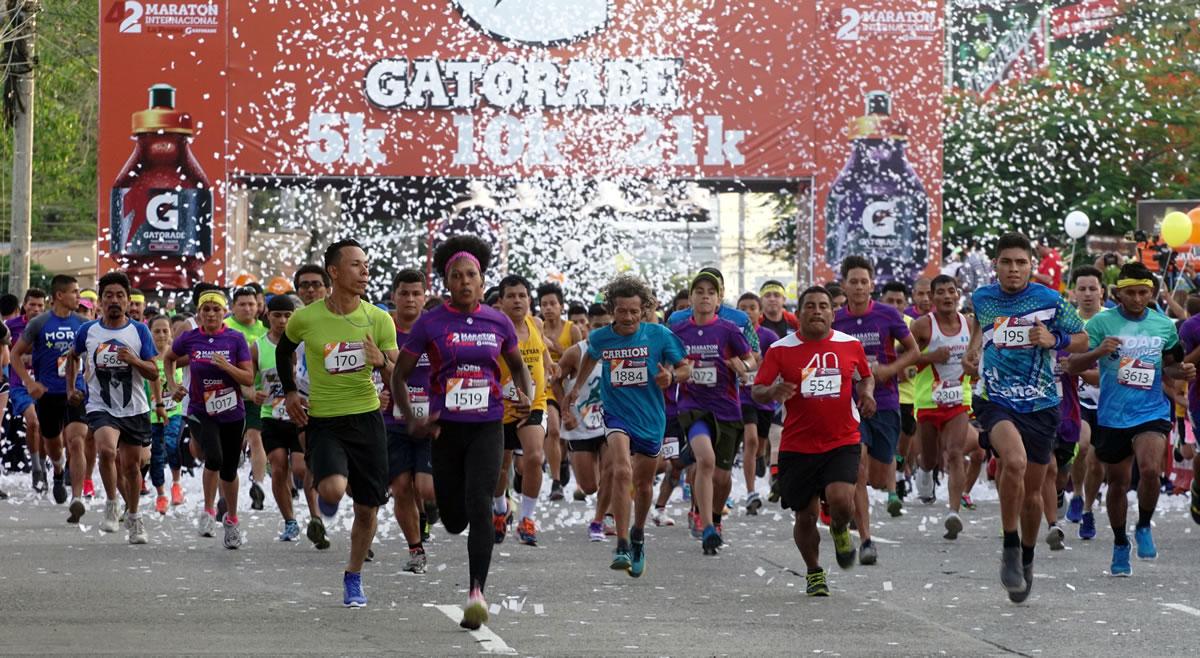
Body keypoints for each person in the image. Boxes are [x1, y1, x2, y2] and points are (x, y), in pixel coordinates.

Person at [392, 235, 532, 630]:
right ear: (447, 282)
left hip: (487, 425)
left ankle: (476, 593)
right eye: (457, 276)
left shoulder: (498, 321)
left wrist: (525, 395)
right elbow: (399, 375)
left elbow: (518, 366)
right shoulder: (431, 322)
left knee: (480, 503)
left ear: (482, 280)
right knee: (455, 519)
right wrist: (411, 418)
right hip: (446, 430)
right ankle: (440, 510)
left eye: (471, 275)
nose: (465, 281)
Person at [275, 239, 399, 608]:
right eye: (356, 265)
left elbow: (399, 375)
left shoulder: (378, 319)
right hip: (325, 420)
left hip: (366, 420)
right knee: (330, 490)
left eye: (367, 265)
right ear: (334, 271)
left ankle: (353, 576)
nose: (365, 271)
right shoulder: (306, 318)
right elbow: (283, 350)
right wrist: (290, 392)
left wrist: (381, 362)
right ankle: (331, 487)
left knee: (367, 508)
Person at [965, 232, 1086, 602]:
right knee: (1013, 462)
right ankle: (1010, 545)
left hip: (1041, 404)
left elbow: (1082, 338)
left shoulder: (1049, 300)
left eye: (1021, 262)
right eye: (1006, 262)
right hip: (995, 399)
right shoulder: (982, 297)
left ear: (1031, 265)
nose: (1013, 269)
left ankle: (1027, 556)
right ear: (996, 265)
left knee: (1033, 493)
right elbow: (979, 326)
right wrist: (972, 350)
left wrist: (1054, 341)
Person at [1066, 262, 1192, 576]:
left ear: (1151, 294)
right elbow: (1072, 364)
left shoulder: (1163, 325)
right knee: (1118, 483)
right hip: (1113, 416)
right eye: (1131, 293)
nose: (1137, 299)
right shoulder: (1100, 323)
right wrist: (1098, 352)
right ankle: (1121, 541)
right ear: (1118, 294)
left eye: (1143, 293)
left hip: (1151, 412)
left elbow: (1170, 365)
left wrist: (1183, 371)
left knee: (1149, 469)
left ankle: (1144, 525)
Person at [752, 285, 876, 597]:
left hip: (842, 439)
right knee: (805, 516)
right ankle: (814, 571)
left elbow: (865, 376)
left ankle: (839, 529)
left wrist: (867, 394)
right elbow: (758, 389)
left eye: (823, 306)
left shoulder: (850, 345)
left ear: (833, 313)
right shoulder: (780, 349)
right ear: (800, 313)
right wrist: (772, 391)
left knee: (841, 499)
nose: (817, 311)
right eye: (810, 306)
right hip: (798, 445)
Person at [565, 274, 690, 575]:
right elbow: (590, 357)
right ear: (612, 309)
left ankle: (637, 534)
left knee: (643, 485)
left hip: (650, 417)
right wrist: (576, 387)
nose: (629, 317)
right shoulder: (601, 337)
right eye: (622, 311)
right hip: (616, 413)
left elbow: (686, 368)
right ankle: (621, 544)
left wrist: (671, 377)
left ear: (644, 309)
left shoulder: (659, 335)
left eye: (634, 311)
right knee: (621, 470)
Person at [833, 256, 919, 564]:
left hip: (885, 401)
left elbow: (914, 351)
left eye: (863, 282)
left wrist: (888, 370)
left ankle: (854, 508)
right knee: (858, 466)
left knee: (879, 475)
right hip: (848, 404)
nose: (858, 287)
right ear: (844, 285)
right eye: (853, 282)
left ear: (872, 285)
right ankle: (866, 540)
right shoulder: (835, 321)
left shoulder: (887, 315)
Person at [65, 272, 159, 544]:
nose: (114, 300)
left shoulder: (139, 331)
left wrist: (134, 360)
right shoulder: (88, 331)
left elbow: (153, 372)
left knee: (131, 467)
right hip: (100, 405)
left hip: (134, 408)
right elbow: (72, 357)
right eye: (109, 296)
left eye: (120, 296)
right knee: (106, 450)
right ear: (100, 301)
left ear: (128, 301)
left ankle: (134, 517)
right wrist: (71, 388)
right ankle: (111, 503)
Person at [165, 289, 255, 549]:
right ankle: (208, 511)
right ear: (199, 313)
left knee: (229, 468)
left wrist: (227, 366)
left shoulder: (235, 339)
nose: (211, 314)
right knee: (213, 457)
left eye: (216, 309)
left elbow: (248, 378)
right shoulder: (190, 338)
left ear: (224, 312)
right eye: (206, 309)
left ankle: (232, 520)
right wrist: (172, 384)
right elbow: (169, 358)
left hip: (232, 412)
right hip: (200, 410)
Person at [671, 272, 752, 553]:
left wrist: (742, 367)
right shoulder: (678, 331)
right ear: (691, 298)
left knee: (721, 476)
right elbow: (669, 364)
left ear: (718, 300)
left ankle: (716, 518)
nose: (705, 296)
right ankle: (706, 527)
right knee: (705, 460)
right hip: (693, 407)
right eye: (699, 291)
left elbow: (750, 359)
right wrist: (675, 374)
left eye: (711, 292)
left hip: (727, 408)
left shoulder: (729, 330)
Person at [11, 276, 89, 523]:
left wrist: (88, 381)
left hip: (75, 393)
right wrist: (29, 383)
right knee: (54, 445)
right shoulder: (40, 323)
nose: (78, 297)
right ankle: (57, 470)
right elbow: (15, 355)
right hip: (47, 394)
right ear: (59, 295)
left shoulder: (83, 324)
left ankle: (77, 499)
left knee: (77, 441)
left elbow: (92, 357)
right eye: (74, 292)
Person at [910, 275, 976, 539]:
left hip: (959, 400)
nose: (947, 296)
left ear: (958, 295)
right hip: (928, 400)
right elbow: (904, 357)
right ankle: (924, 470)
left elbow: (979, 355)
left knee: (955, 452)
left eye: (951, 291)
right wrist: (930, 357)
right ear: (932, 297)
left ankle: (953, 512)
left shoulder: (970, 324)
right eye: (941, 292)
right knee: (930, 458)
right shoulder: (922, 325)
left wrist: (975, 365)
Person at [252, 294, 321, 543]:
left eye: (287, 316)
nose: (282, 321)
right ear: (267, 316)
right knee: (279, 466)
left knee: (302, 467)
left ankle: (316, 518)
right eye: (277, 316)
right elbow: (247, 380)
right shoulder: (258, 347)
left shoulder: (304, 344)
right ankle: (290, 521)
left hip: (301, 414)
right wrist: (252, 393)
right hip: (271, 415)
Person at [492, 275, 551, 546]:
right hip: (502, 407)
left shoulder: (536, 323)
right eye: (511, 296)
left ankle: (527, 519)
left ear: (529, 299)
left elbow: (542, 356)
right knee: (500, 468)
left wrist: (547, 372)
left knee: (535, 457)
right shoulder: (494, 330)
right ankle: (500, 511)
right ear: (501, 301)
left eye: (522, 295)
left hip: (534, 404)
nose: (517, 300)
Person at [383, 270, 436, 574]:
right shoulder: (383, 329)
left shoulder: (435, 329)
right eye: (404, 293)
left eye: (416, 293)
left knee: (426, 488)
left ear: (425, 296)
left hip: (429, 421)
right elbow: (369, 368)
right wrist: (377, 392)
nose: (410, 299)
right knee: (402, 487)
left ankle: (431, 508)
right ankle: (416, 550)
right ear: (394, 296)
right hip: (393, 421)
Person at [553, 304, 614, 541]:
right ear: (588, 326)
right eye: (597, 326)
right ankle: (602, 505)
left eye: (607, 325)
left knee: (612, 469)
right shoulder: (576, 353)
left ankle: (603, 518)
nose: (602, 330)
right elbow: (555, 381)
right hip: (580, 426)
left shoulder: (620, 349)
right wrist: (564, 410)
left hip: (611, 421)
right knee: (589, 486)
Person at [1064, 267, 1105, 539]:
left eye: (1092, 288)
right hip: (1078, 400)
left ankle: (1088, 509)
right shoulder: (1067, 322)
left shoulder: (1111, 320)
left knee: (1098, 464)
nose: (1088, 294)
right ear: (1074, 292)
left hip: (1108, 402)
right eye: (1082, 289)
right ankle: (1077, 494)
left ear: (1102, 291)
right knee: (1082, 445)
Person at [224, 286, 269, 511]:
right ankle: (224, 490)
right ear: (233, 307)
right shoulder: (225, 327)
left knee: (255, 437)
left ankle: (258, 485)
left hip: (256, 394)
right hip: (228, 393)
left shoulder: (265, 330)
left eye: (251, 304)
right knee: (229, 443)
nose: (248, 308)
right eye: (242, 304)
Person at [736, 292, 779, 514]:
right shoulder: (733, 335)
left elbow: (779, 362)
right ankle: (751, 492)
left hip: (764, 398)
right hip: (742, 396)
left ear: (760, 312)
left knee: (759, 444)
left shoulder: (769, 336)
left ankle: (761, 456)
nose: (747, 312)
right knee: (750, 440)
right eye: (742, 308)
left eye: (752, 308)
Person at [538, 282, 582, 502]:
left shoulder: (572, 329)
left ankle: (562, 461)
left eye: (552, 303)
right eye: (544, 304)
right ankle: (556, 483)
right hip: (545, 388)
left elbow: (580, 358)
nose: (548, 308)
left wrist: (553, 346)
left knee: (565, 435)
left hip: (568, 387)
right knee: (553, 430)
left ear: (561, 306)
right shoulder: (536, 328)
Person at [7, 288, 46, 495]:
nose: (36, 309)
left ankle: (46, 466)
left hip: (45, 385)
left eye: (40, 305)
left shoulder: (49, 326)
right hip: (19, 385)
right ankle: (36, 469)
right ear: (24, 305)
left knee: (47, 430)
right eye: (32, 305)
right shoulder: (11, 326)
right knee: (33, 422)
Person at [147, 315, 185, 513]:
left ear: (171, 332)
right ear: (149, 333)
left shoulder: (177, 356)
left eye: (165, 331)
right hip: (152, 415)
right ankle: (161, 494)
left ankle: (176, 484)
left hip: (174, 412)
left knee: (171, 444)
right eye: (157, 331)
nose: (161, 335)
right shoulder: (146, 358)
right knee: (156, 455)